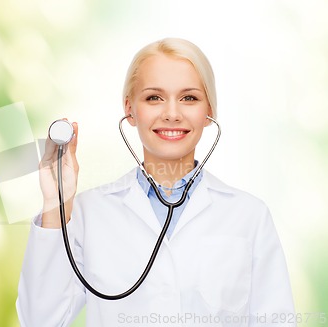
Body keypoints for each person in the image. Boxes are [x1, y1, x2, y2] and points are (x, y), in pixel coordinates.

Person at [16, 38, 296, 326]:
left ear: (209, 111)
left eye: (189, 98)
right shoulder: (88, 213)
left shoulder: (249, 216)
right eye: (154, 98)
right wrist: (55, 204)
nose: (172, 114)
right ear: (130, 109)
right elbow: (40, 320)